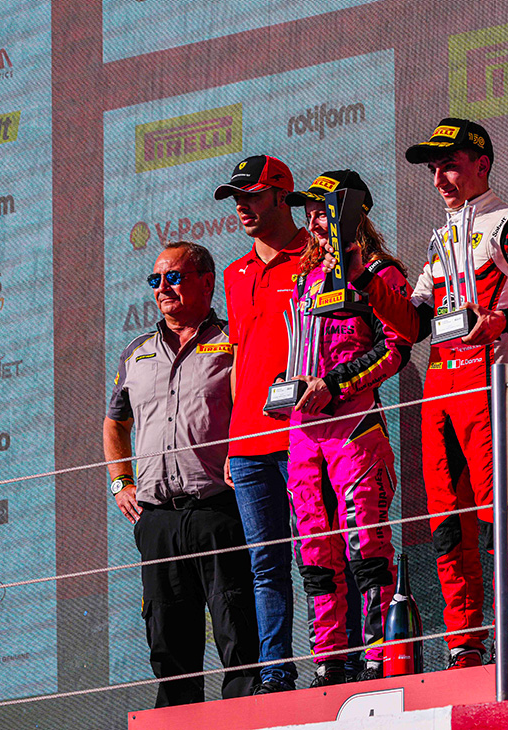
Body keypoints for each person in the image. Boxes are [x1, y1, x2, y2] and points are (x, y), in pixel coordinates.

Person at [341, 118, 508, 667]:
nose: (439, 180)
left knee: (498, 514)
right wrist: (365, 281)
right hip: (439, 388)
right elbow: (414, 324)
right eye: (433, 170)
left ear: (482, 163)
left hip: (488, 379)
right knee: (446, 523)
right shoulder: (439, 240)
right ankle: (463, 644)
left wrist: (503, 320)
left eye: (449, 166)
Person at [104, 241, 260, 705]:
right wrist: (121, 481)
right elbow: (115, 423)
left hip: (219, 510)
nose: (162, 287)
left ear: (207, 282)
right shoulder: (136, 351)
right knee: (167, 636)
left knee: (237, 626)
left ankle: (245, 715)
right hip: (157, 520)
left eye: (174, 276)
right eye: (155, 280)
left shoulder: (232, 341)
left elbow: (255, 409)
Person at [278, 170, 411, 686]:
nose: (313, 221)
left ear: (354, 214)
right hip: (302, 433)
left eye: (323, 211)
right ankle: (330, 661)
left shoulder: (378, 271)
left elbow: (397, 348)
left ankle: (379, 658)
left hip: (355, 428)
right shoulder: (304, 280)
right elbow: (300, 352)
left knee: (367, 547)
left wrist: (334, 385)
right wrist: (283, 387)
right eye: (309, 212)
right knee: (314, 553)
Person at [212, 154, 302, 692]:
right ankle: (275, 672)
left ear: (281, 196)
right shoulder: (234, 272)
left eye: (252, 196)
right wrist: (230, 439)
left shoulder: (315, 257)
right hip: (247, 441)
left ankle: (336, 662)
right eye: (236, 199)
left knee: (321, 554)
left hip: (303, 434)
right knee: (264, 563)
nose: (242, 207)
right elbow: (239, 358)